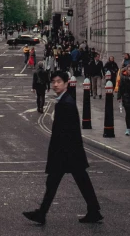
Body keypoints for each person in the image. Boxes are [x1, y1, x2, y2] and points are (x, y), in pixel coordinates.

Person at [23, 71, 102, 225]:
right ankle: (93, 211)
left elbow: (66, 132)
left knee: (60, 182)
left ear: (66, 83)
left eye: (59, 81)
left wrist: (58, 153)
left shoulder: (66, 103)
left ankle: (42, 214)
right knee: (77, 181)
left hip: (66, 152)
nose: (55, 84)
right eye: (53, 82)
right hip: (70, 152)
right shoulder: (64, 101)